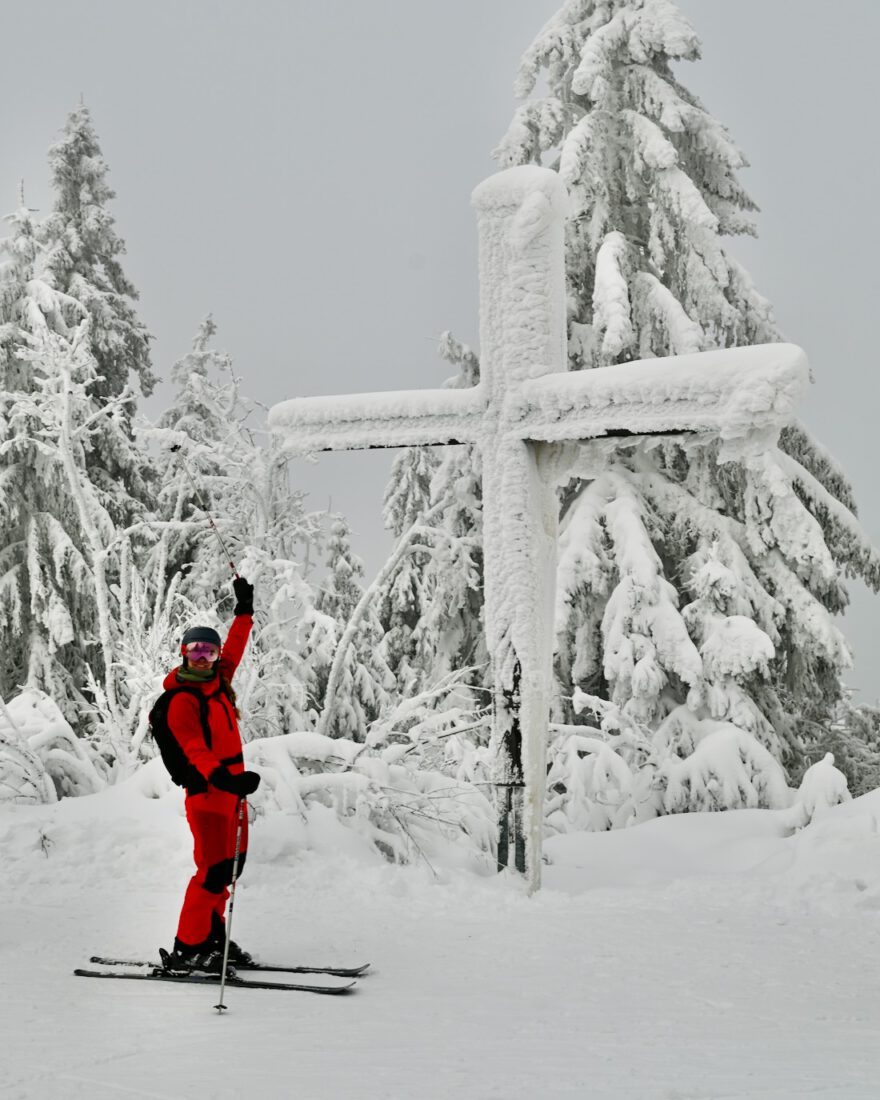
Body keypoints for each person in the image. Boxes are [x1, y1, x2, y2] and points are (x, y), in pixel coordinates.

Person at [161, 576, 261, 974]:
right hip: (207, 794)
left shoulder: (219, 682)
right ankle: (188, 947)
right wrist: (224, 779)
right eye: (195, 650)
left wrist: (245, 611)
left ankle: (212, 936)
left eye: (209, 651)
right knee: (211, 872)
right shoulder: (181, 700)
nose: (203, 657)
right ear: (184, 654)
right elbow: (195, 749)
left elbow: (237, 645)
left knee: (229, 868)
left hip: (231, 794)